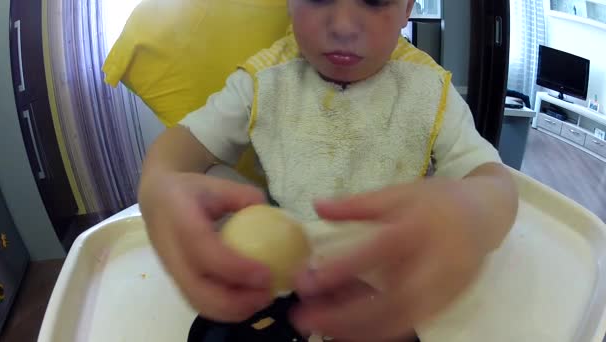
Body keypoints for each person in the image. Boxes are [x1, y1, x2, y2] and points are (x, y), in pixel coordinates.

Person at [138, 0, 518, 340]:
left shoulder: (428, 89)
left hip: (387, 286)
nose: (343, 25)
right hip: (284, 280)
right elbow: (182, 148)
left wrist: (473, 212)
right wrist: (157, 185)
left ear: (407, 9)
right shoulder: (264, 78)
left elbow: (493, 182)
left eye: (374, 0)